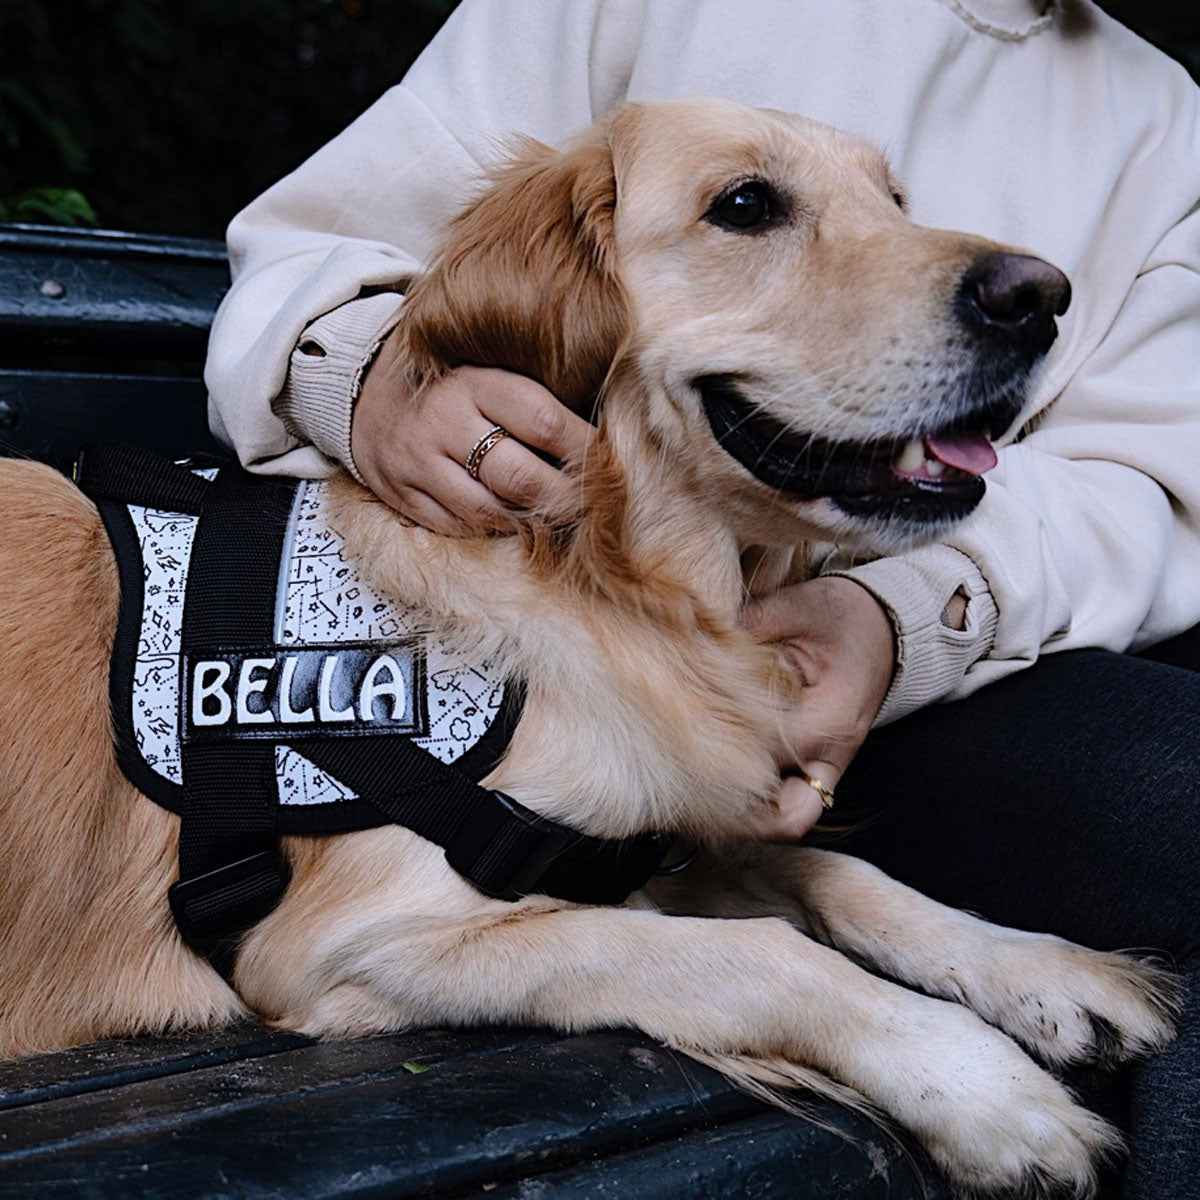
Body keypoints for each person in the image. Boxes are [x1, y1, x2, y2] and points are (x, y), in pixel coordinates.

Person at [204, 1, 1200, 1194]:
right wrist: (366, 376)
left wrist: (912, 616)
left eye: (892, 203)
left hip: (915, 675)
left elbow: (1149, 483)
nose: (981, 270)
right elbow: (330, 243)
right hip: (537, 560)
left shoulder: (1167, 117)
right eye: (748, 208)